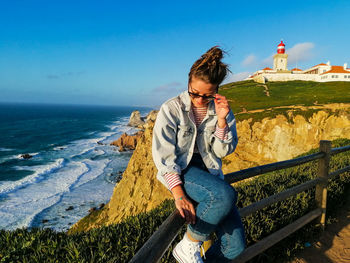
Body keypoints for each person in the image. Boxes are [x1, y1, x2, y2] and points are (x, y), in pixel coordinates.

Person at [152, 46, 246, 263]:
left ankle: (189, 249)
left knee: (235, 246)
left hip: (209, 171)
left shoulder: (222, 110)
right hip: (183, 169)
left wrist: (222, 120)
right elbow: (164, 156)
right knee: (224, 195)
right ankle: (189, 245)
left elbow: (223, 151)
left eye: (208, 95)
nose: (200, 100)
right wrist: (178, 194)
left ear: (217, 90)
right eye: (195, 93)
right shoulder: (171, 109)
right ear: (188, 82)